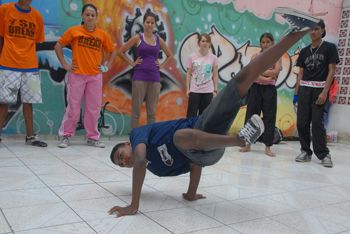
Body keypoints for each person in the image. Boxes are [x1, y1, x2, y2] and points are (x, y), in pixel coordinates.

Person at [108, 7, 321, 217]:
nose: (124, 162)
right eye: (121, 165)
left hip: (201, 128)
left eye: (121, 156)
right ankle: (240, 139)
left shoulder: (138, 136)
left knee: (241, 79)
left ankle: (299, 31)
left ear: (128, 144)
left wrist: (133, 205)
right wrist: (191, 193)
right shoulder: (157, 169)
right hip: (210, 153)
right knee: (181, 140)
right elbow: (193, 163)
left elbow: (139, 159)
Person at [55, 3, 116, 148]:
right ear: (82, 16)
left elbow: (113, 51)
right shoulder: (74, 31)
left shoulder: (102, 34)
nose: (90, 17)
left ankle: (93, 137)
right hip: (77, 75)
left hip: (95, 77)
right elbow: (58, 46)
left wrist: (106, 66)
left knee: (93, 108)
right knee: (73, 108)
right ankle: (65, 136)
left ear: (96, 18)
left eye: (93, 15)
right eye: (87, 14)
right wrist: (65, 64)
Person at [0, 0, 47, 147]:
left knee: (29, 101)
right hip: (8, 64)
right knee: (4, 102)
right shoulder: (5, 10)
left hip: (31, 67)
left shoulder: (37, 16)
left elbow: (37, 41)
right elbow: (1, 37)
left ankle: (30, 137)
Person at [293, 19, 339, 168]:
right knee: (302, 122)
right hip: (305, 90)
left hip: (319, 90)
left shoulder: (330, 48)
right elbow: (300, 73)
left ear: (322, 30)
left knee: (317, 124)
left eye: (317, 29)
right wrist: (296, 94)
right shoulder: (305, 51)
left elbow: (331, 71)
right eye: (311, 29)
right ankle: (305, 151)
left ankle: (324, 154)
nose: (313, 32)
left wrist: (325, 92)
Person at [118, 11, 173, 129]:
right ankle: (134, 137)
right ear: (144, 23)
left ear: (155, 25)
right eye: (147, 22)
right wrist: (132, 63)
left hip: (155, 78)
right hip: (139, 77)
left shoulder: (158, 40)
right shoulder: (138, 38)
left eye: (152, 22)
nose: (149, 24)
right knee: (136, 111)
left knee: (152, 112)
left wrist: (162, 65)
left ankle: (150, 138)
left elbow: (170, 55)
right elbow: (121, 51)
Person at [240, 33, 282, 157]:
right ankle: (247, 144)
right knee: (251, 115)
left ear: (272, 43)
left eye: (267, 42)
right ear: (260, 43)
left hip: (270, 90)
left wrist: (261, 71)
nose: (265, 44)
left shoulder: (276, 57)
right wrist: (265, 75)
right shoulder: (255, 56)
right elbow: (252, 72)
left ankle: (268, 147)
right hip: (255, 88)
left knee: (269, 117)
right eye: (263, 42)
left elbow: (275, 72)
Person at [186, 33, 219, 118]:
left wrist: (215, 90)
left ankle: (200, 132)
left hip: (208, 92)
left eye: (207, 41)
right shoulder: (192, 57)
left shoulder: (214, 58)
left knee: (204, 117)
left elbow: (215, 76)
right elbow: (188, 74)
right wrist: (188, 89)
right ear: (199, 43)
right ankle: (189, 131)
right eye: (203, 41)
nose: (205, 43)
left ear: (209, 44)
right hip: (194, 91)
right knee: (191, 116)